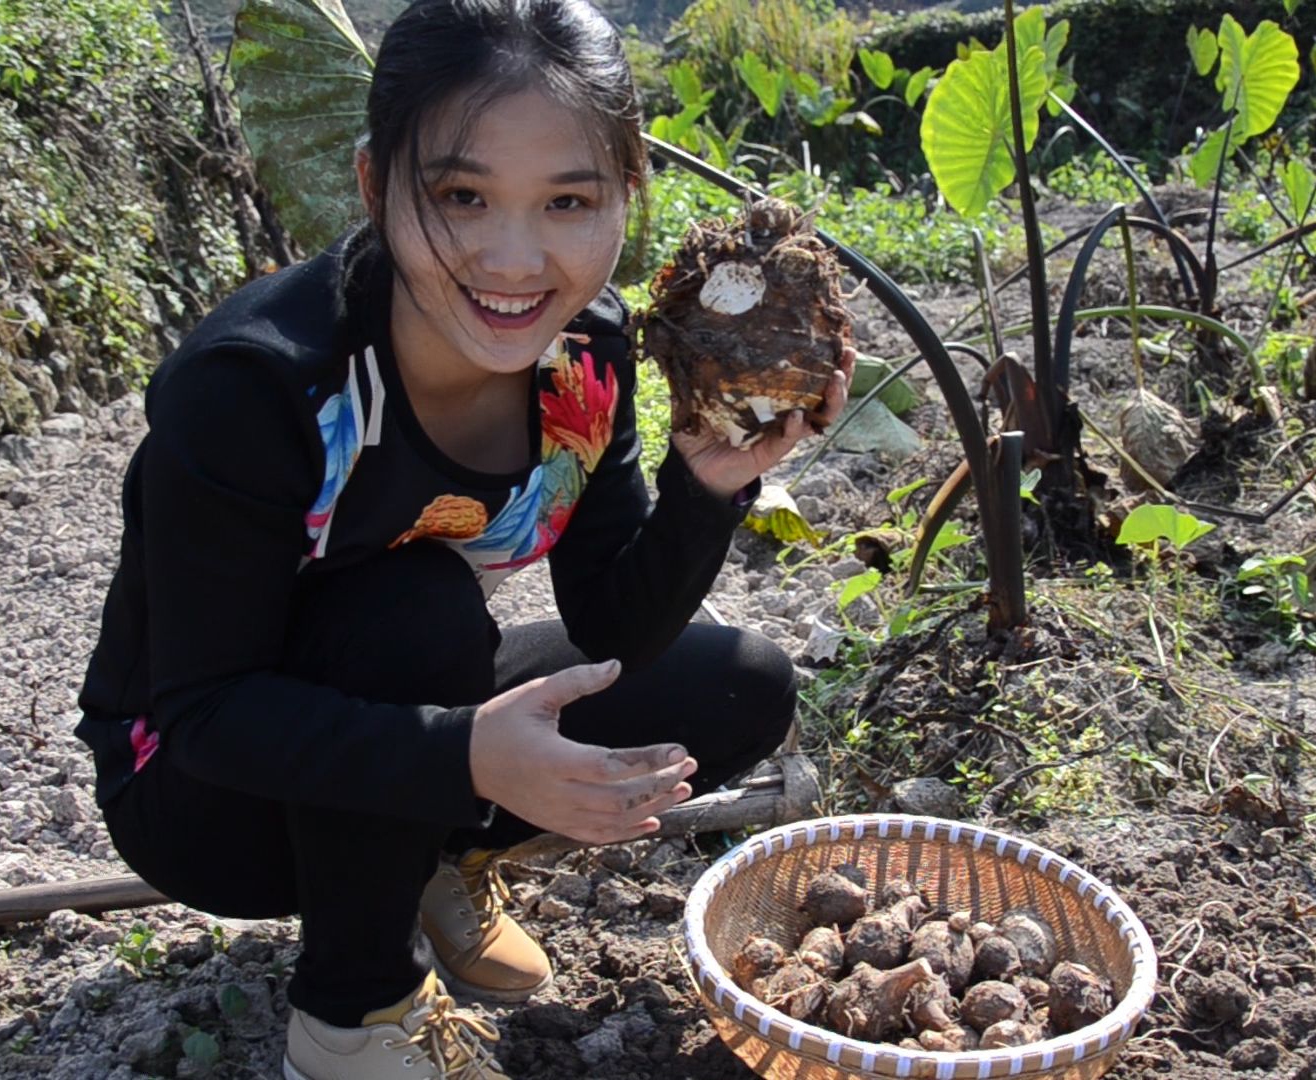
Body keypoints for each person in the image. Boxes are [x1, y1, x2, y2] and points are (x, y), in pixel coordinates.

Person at [75, 0, 852, 1075]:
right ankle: (352, 1020)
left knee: (738, 685)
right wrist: (463, 753)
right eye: (460, 195)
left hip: (389, 707)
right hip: (203, 790)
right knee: (411, 605)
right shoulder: (259, 388)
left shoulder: (587, 356)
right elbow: (203, 709)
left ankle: (425, 859)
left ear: (627, 194)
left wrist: (704, 487)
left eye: (568, 200)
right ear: (371, 187)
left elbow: (611, 621)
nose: (514, 257)